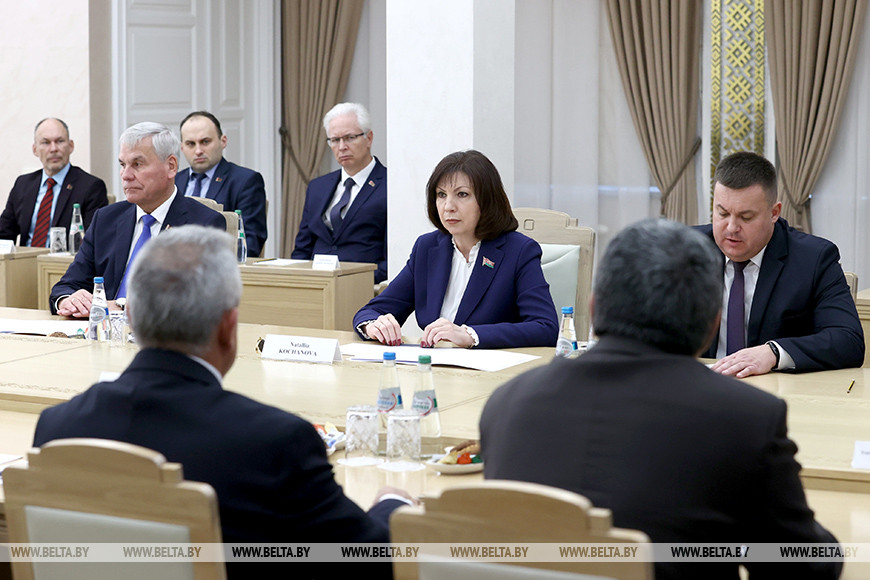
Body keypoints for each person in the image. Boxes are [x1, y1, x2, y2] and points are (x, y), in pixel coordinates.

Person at [33, 226, 410, 578]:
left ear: (130, 316)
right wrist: (394, 503)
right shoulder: (276, 442)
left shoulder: (57, 429)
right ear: (229, 328)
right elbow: (371, 559)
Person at [480, 218, 842, 580]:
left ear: (593, 306)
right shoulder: (744, 420)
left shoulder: (507, 404)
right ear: (713, 323)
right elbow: (806, 567)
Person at [352, 150, 558, 349]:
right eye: (441, 195)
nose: (448, 206)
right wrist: (374, 325)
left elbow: (545, 327)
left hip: (492, 368)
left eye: (462, 194)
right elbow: (372, 311)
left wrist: (471, 335)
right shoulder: (427, 248)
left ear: (487, 200)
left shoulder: (519, 251)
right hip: (434, 364)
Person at [697, 151, 863, 376]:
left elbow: (848, 340)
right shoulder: (684, 249)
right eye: (723, 213)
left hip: (778, 389)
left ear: (774, 213)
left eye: (746, 217)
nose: (732, 228)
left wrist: (774, 353)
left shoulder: (814, 259)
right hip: (700, 384)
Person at [50, 122, 225, 317]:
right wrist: (70, 299)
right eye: (122, 165)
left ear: (171, 166)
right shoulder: (106, 219)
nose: (126, 175)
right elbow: (66, 286)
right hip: (101, 331)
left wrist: (119, 306)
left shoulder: (204, 224)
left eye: (137, 164)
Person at [292, 102, 387, 282]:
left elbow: (392, 255)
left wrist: (356, 282)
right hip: (316, 283)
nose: (342, 146)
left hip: (364, 285)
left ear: (369, 138)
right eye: (335, 140)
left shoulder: (388, 186)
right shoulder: (317, 187)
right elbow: (303, 248)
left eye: (350, 138)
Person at [0, 118, 108, 247]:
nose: (53, 149)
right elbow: (4, 233)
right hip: (25, 258)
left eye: (60, 141)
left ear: (71, 146)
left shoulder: (91, 187)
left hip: (64, 259)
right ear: (35, 150)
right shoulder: (23, 184)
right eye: (45, 142)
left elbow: (93, 242)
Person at [175, 111, 268, 257]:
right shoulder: (174, 181)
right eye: (190, 144)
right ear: (182, 148)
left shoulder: (245, 181)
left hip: (220, 264)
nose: (198, 151)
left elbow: (250, 241)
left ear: (223, 141)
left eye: (205, 142)